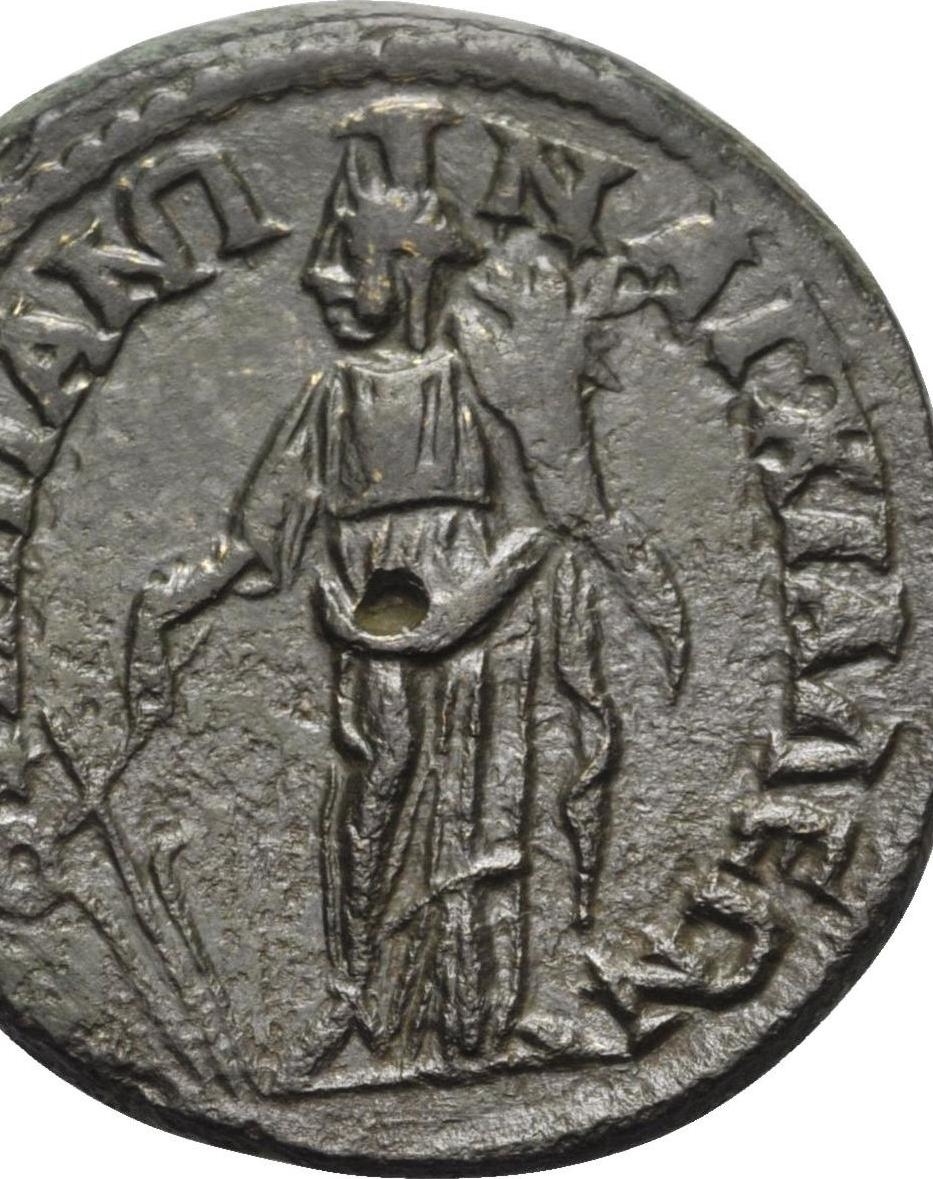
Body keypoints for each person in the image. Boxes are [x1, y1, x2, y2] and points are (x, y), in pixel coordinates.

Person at [127, 100, 629, 1072]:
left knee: (481, 815)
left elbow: (542, 524)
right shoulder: (334, 397)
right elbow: (255, 538)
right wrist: (165, 605)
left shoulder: (479, 386)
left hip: (483, 638)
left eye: (348, 259)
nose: (322, 281)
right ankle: (368, 1011)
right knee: (376, 802)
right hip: (372, 638)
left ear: (404, 267)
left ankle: (481, 1023)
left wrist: (453, 616)